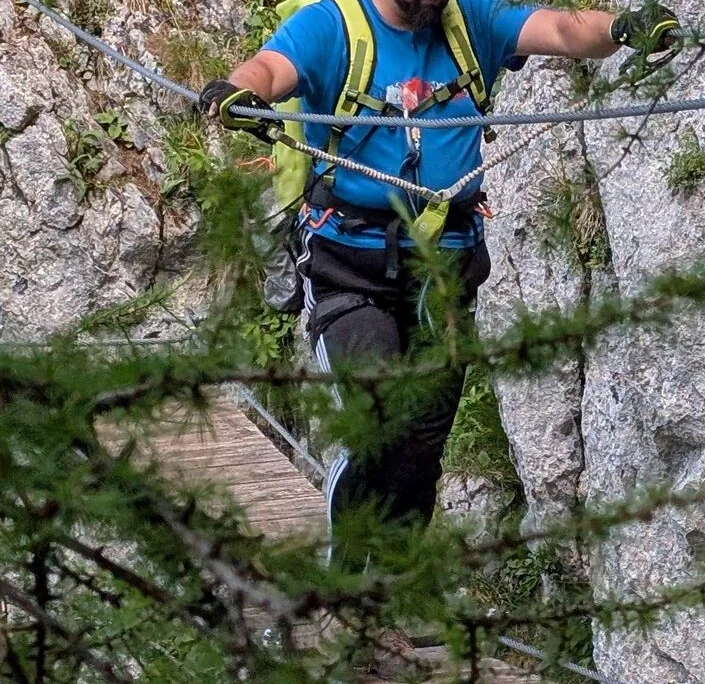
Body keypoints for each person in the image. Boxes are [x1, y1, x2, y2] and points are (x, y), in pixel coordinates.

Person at [198, 0, 679, 569]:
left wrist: (622, 28)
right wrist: (237, 92)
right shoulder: (333, 24)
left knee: (420, 455)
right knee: (375, 423)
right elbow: (271, 69)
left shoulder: (469, 22)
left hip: (444, 275)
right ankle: (345, 582)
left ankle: (385, 597)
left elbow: (562, 29)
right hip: (350, 266)